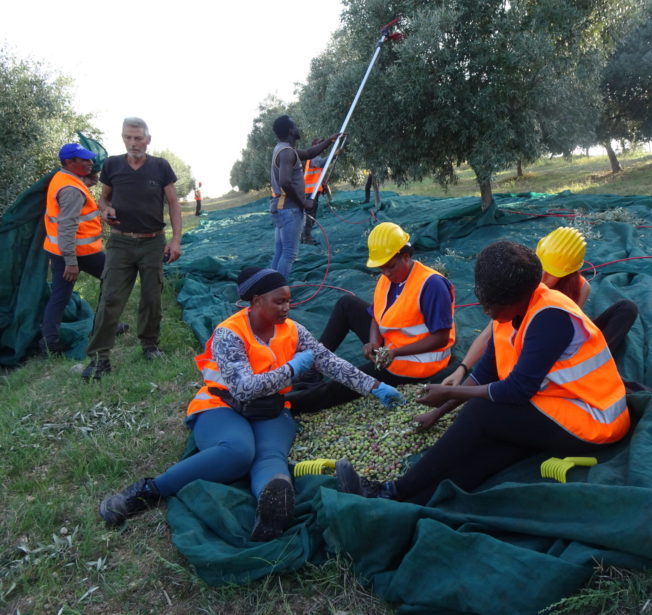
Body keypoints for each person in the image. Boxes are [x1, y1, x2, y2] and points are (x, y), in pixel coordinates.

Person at [98, 267, 405, 540]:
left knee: (270, 455)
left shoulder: (293, 330)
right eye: (279, 301)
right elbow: (243, 389)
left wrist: (375, 386)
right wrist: (291, 370)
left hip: (270, 409)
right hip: (222, 406)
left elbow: (329, 362)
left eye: (288, 300)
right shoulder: (229, 334)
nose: (288, 307)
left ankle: (272, 504)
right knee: (238, 451)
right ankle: (148, 490)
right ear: (256, 300)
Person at [336, 240, 630, 505]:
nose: (486, 312)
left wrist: (451, 391)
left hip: (594, 420)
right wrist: (438, 412)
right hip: (557, 402)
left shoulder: (550, 317)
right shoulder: (512, 312)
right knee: (494, 450)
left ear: (517, 297)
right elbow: (486, 372)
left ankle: (390, 489)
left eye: (492, 306)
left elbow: (516, 390)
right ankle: (410, 501)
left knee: (481, 413)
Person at [437, 227, 637, 395]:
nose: (543, 276)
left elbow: (569, 330)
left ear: (569, 273)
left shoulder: (581, 288)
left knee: (626, 309)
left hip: (559, 345)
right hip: (531, 347)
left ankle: (596, 366)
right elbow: (491, 333)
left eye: (551, 274)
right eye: (542, 268)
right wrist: (462, 369)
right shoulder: (525, 285)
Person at [287, 222, 456, 413]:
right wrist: (374, 342)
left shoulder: (431, 285)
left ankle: (286, 406)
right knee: (347, 304)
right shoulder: (387, 279)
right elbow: (377, 315)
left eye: (390, 267)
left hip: (416, 363)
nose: (386, 273)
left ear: (406, 257)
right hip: (390, 348)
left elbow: (441, 339)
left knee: (344, 383)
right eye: (381, 268)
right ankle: (315, 365)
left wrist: (393, 353)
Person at [82, 117, 182, 380]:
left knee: (152, 297)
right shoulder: (113, 165)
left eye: (138, 138)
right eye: (128, 137)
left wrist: (175, 241)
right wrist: (105, 210)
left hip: (152, 242)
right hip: (120, 242)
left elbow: (173, 204)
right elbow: (103, 198)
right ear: (123, 138)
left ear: (148, 140)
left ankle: (150, 346)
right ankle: (99, 359)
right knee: (110, 298)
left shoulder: (160, 167)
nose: (133, 142)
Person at [40, 144, 105, 354]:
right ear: (69, 163)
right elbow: (67, 227)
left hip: (58, 250)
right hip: (79, 253)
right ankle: (105, 327)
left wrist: (91, 179)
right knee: (115, 280)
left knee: (60, 296)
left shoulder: (62, 177)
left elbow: (82, 184)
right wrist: (71, 262)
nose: (90, 163)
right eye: (84, 160)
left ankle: (49, 342)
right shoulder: (71, 190)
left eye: (90, 159)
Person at [269, 115, 338, 280]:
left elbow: (308, 153)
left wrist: (329, 141)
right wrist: (303, 202)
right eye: (295, 125)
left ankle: (269, 288)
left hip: (280, 208)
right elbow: (285, 181)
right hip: (289, 209)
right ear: (291, 130)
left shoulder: (282, 149)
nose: (297, 127)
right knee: (289, 254)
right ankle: (278, 293)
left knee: (280, 252)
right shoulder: (286, 153)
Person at [300, 139, 334, 245]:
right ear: (315, 146)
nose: (321, 148)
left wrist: (322, 186)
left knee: (312, 216)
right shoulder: (313, 157)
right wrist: (333, 155)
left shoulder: (315, 157)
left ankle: (304, 237)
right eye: (319, 145)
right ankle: (306, 238)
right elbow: (322, 163)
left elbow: (317, 175)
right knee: (310, 216)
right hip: (309, 192)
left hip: (313, 192)